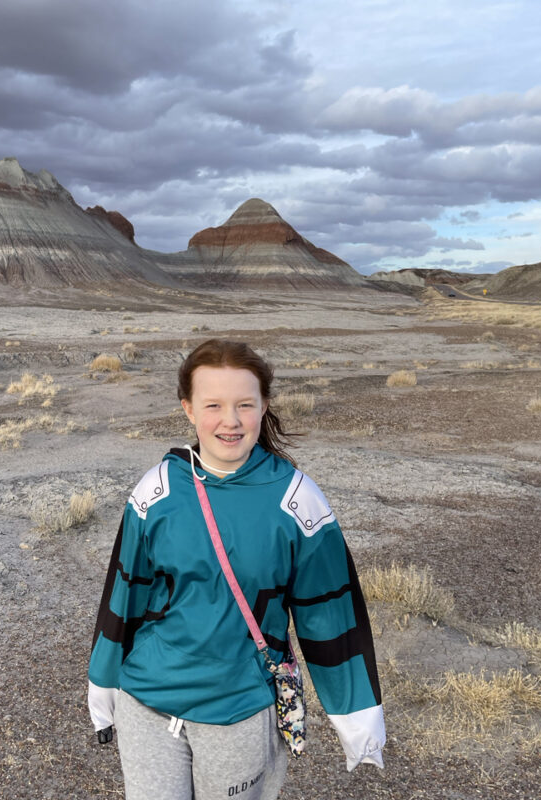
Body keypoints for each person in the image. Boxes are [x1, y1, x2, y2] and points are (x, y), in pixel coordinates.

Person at [88, 339, 385, 799]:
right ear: (187, 408)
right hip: (146, 702)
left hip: (239, 712)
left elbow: (329, 612)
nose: (230, 420)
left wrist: (357, 716)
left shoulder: (298, 501)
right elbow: (124, 594)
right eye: (214, 405)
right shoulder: (156, 491)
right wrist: (103, 687)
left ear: (264, 406)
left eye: (245, 404)